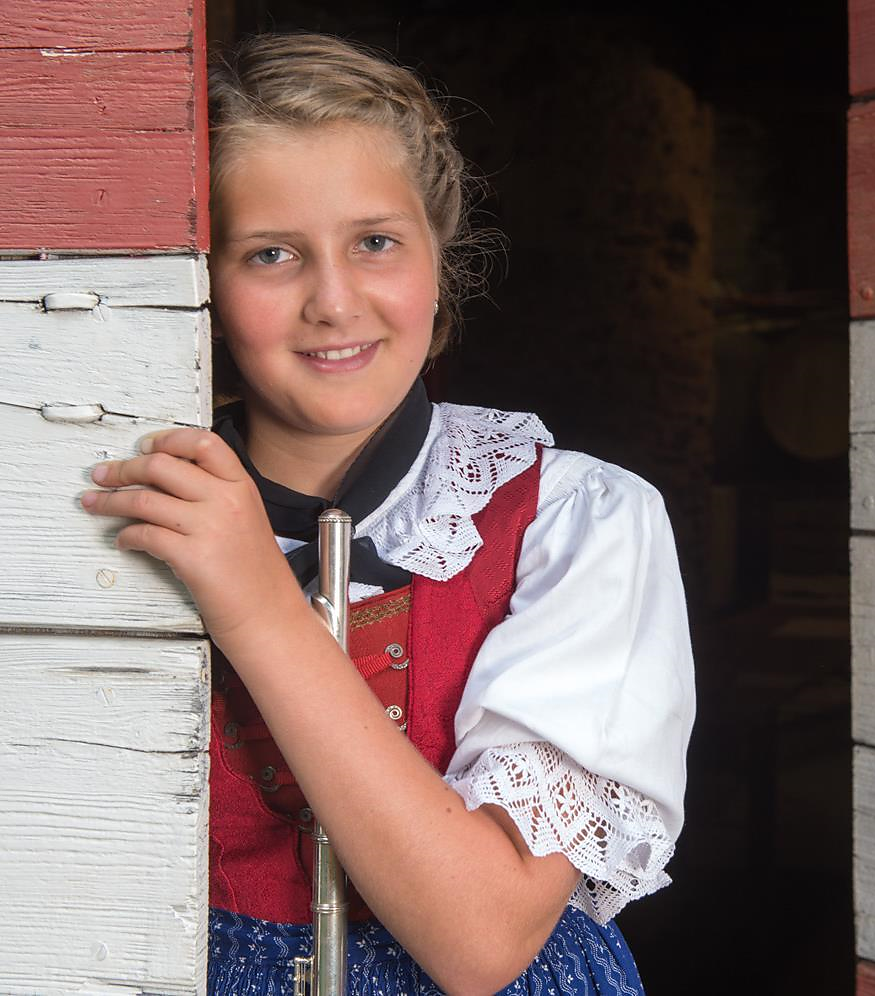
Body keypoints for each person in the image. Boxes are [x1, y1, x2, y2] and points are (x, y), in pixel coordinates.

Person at [80, 32, 694, 996]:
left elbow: (481, 939)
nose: (334, 300)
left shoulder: (580, 522)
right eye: (271, 253)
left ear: (439, 257)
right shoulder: (112, 504)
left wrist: (257, 607)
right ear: (199, 284)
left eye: (374, 242)